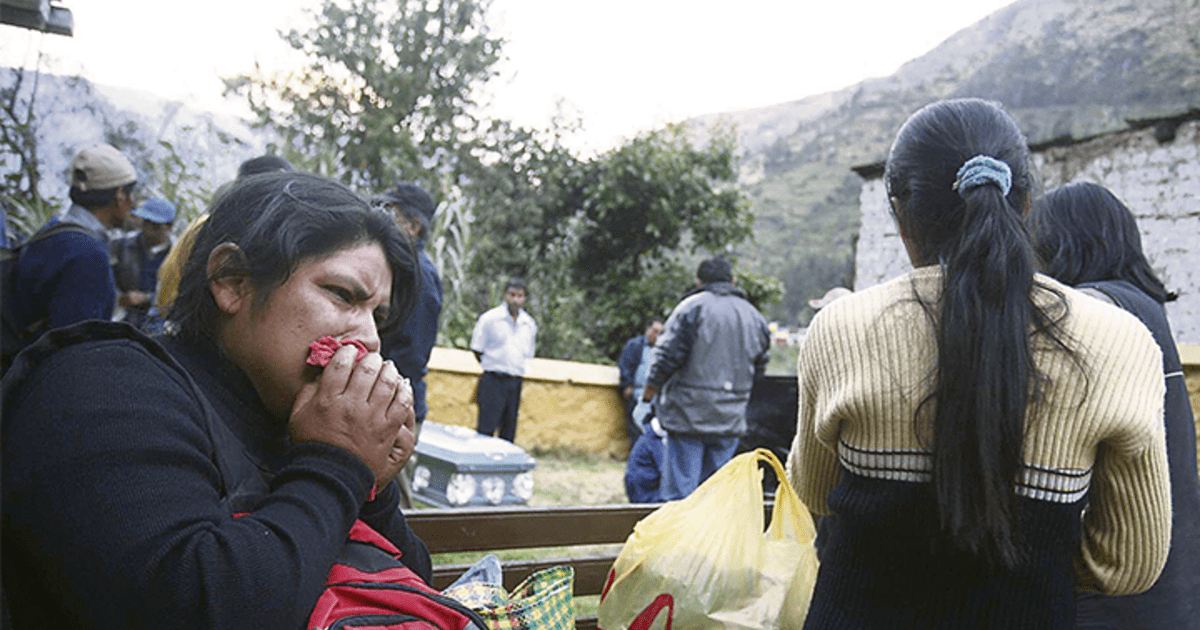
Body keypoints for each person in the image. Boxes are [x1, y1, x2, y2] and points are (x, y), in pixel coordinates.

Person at [785, 99, 1171, 629]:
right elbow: (1130, 563)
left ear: (900, 213)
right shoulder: (1119, 342)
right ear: (1027, 204)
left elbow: (815, 490)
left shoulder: (842, 328)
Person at [2, 171, 429, 628]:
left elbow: (410, 589)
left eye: (377, 318)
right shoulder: (101, 384)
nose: (368, 338)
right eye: (343, 295)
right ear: (231, 280)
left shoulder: (287, 415)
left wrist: (373, 489)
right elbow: (190, 608)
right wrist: (336, 467)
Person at [1028, 181, 1200, 630]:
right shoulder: (1144, 309)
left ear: (1059, 243)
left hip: (1112, 594)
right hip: (1168, 588)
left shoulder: (1095, 309)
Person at [642, 257, 771, 501]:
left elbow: (667, 357)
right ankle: (713, 539)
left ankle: (682, 539)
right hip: (730, 417)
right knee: (716, 494)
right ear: (732, 281)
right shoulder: (754, 317)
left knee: (681, 493)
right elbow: (760, 367)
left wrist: (649, 392)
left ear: (699, 281)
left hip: (687, 414)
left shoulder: (691, 308)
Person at [8, 143, 137, 347]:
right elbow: (78, 348)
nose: (133, 201)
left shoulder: (51, 232)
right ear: (120, 196)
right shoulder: (89, 255)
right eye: (131, 194)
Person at [373, 182, 443, 508]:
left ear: (412, 227)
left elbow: (412, 353)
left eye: (393, 213)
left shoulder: (419, 276)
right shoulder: (398, 267)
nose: (383, 218)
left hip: (395, 399)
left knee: (394, 499)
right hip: (383, 394)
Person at [470, 279, 537, 442]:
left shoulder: (528, 324)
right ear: (505, 295)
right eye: (512, 295)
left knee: (509, 429)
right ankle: (482, 464)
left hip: (515, 382)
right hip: (493, 380)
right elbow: (477, 349)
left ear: (525, 299)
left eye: (520, 296)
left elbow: (527, 353)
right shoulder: (490, 319)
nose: (515, 300)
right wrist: (493, 365)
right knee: (486, 428)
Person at [112, 198, 176, 330]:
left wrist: (148, 299)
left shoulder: (176, 256)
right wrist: (120, 296)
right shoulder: (121, 244)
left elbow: (177, 296)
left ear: (169, 227)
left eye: (155, 226)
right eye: (146, 223)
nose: (148, 230)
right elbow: (106, 277)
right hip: (121, 318)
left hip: (157, 325)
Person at [617, 317, 664, 440]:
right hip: (638, 393)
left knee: (654, 429)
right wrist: (627, 386)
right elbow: (625, 366)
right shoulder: (635, 345)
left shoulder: (664, 349)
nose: (656, 335)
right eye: (654, 331)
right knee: (635, 427)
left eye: (660, 332)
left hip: (656, 396)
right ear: (647, 330)